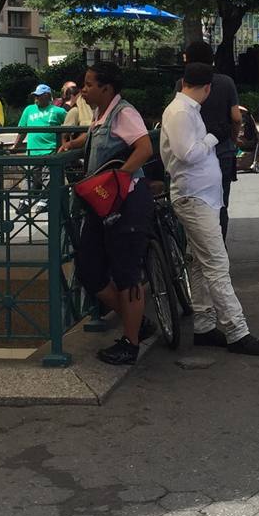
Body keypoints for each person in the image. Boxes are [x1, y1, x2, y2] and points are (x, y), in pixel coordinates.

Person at [160, 63, 259, 356]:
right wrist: (212, 136)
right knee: (217, 264)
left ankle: (205, 326)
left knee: (201, 263)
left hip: (198, 196)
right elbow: (187, 154)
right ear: (208, 88)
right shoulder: (183, 112)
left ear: (184, 81)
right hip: (195, 197)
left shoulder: (183, 110)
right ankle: (237, 331)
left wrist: (209, 136)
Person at [74, 62, 157, 366]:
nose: (83, 90)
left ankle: (130, 342)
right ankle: (137, 321)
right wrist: (73, 142)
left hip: (126, 202)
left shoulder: (124, 112)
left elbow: (144, 147)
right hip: (102, 203)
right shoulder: (101, 115)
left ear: (106, 89)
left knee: (126, 273)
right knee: (88, 268)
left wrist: (121, 176)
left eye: (88, 84)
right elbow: (97, 138)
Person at [179, 41, 240, 242]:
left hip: (193, 154)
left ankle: (192, 250)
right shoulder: (226, 82)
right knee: (220, 204)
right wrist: (233, 138)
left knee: (192, 205)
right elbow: (236, 117)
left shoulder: (183, 84)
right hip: (223, 151)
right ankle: (218, 248)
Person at [11, 85, 67, 156]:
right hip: (32, 155)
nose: (36, 97)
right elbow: (22, 131)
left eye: (39, 95)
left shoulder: (58, 111)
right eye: (35, 95)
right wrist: (15, 147)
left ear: (47, 96)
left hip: (51, 154)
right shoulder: (29, 110)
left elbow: (71, 124)